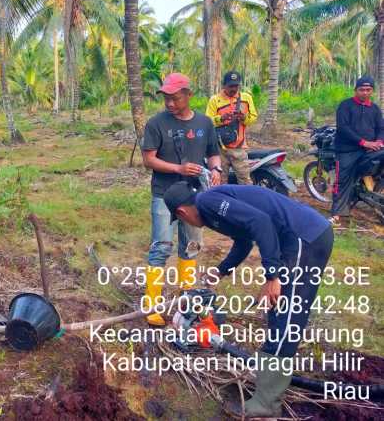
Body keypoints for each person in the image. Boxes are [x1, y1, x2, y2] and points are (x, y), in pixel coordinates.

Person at [163, 182, 333, 419]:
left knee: (286, 316)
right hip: (297, 238)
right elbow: (244, 240)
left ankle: (267, 403)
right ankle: (268, 389)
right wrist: (221, 270)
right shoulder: (211, 210)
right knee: (277, 310)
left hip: (305, 237)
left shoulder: (207, 203)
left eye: (181, 220)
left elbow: (260, 222)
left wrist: (272, 275)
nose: (187, 223)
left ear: (181, 212)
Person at [140, 73, 221, 326]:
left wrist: (216, 171)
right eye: (166, 98)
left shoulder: (205, 124)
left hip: (194, 197)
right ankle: (152, 306)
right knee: (161, 246)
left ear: (188, 95)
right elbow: (148, 160)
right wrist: (179, 169)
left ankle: (186, 300)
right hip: (164, 195)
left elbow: (213, 154)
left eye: (175, 98)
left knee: (191, 247)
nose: (170, 104)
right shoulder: (156, 124)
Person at [330, 76, 384, 225]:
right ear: (356, 90)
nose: (365, 92)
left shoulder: (374, 109)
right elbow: (343, 128)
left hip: (371, 149)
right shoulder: (345, 106)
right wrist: (364, 142)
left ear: (372, 91)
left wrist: (379, 141)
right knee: (343, 180)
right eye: (362, 89)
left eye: (368, 90)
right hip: (348, 150)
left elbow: (381, 128)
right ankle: (337, 214)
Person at [206, 71, 258, 184]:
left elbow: (253, 118)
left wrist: (243, 117)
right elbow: (208, 122)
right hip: (219, 149)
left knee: (245, 181)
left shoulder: (246, 98)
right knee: (220, 181)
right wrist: (221, 119)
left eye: (236, 85)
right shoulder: (214, 100)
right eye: (231, 86)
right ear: (224, 85)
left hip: (239, 148)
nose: (234, 89)